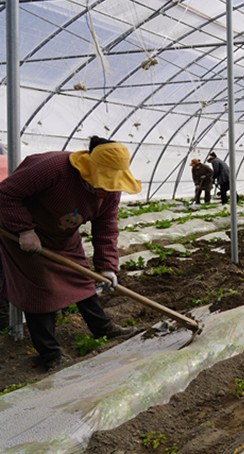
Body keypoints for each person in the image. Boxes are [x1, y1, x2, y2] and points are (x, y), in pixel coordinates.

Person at [0, 136, 141, 371]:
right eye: (101, 184)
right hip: (25, 236)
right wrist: (24, 229)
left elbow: (106, 227)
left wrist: (107, 266)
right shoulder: (53, 168)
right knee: (40, 288)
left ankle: (102, 328)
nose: (104, 191)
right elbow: (6, 194)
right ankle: (50, 354)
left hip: (63, 235)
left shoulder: (111, 191)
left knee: (82, 278)